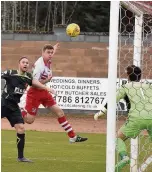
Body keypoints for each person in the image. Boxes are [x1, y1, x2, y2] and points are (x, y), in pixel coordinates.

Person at [21, 43, 88, 143]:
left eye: (52, 53)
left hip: (43, 92)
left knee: (60, 112)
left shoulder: (47, 59)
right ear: (42, 53)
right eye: (48, 52)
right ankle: (20, 108)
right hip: (34, 93)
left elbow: (50, 53)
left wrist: (54, 49)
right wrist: (47, 84)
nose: (51, 54)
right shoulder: (39, 66)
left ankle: (72, 137)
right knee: (29, 121)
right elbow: (33, 83)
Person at [94, 65, 152, 171]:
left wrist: (101, 112)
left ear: (128, 76)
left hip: (136, 119)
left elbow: (112, 100)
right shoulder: (148, 85)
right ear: (140, 75)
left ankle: (124, 157)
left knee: (117, 138)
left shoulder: (126, 87)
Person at [1, 57, 54, 162]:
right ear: (19, 64)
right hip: (3, 104)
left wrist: (47, 83)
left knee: (21, 128)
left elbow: (36, 84)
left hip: (14, 107)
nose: (25, 64)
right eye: (23, 62)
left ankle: (21, 157)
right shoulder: (11, 73)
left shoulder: (28, 77)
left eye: (27, 63)